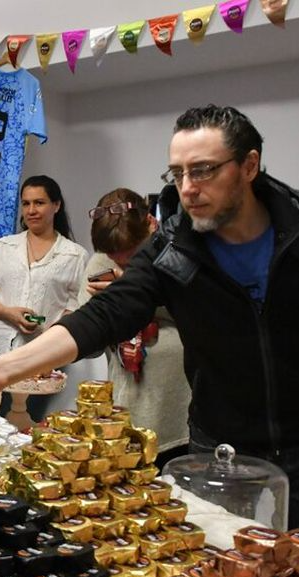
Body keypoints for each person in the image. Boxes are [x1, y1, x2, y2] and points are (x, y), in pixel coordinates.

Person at [0, 105, 299, 532]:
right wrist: (2, 370)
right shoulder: (173, 250)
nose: (187, 187)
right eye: (176, 174)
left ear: (249, 165)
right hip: (221, 449)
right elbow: (102, 315)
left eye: (202, 170)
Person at [78, 188, 190, 467]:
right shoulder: (99, 263)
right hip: (126, 402)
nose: (123, 264)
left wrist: (134, 295)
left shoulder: (177, 255)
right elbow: (89, 345)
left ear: (151, 225)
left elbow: (201, 322)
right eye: (115, 258)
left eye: (132, 257)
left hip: (178, 407)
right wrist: (106, 306)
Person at [0, 175, 88, 422]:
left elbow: (77, 307)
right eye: (26, 203)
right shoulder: (2, 247)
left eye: (39, 203)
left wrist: (56, 330)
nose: (31, 210)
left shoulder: (75, 256)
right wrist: (7, 312)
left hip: (39, 358)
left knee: (25, 428)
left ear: (57, 205)